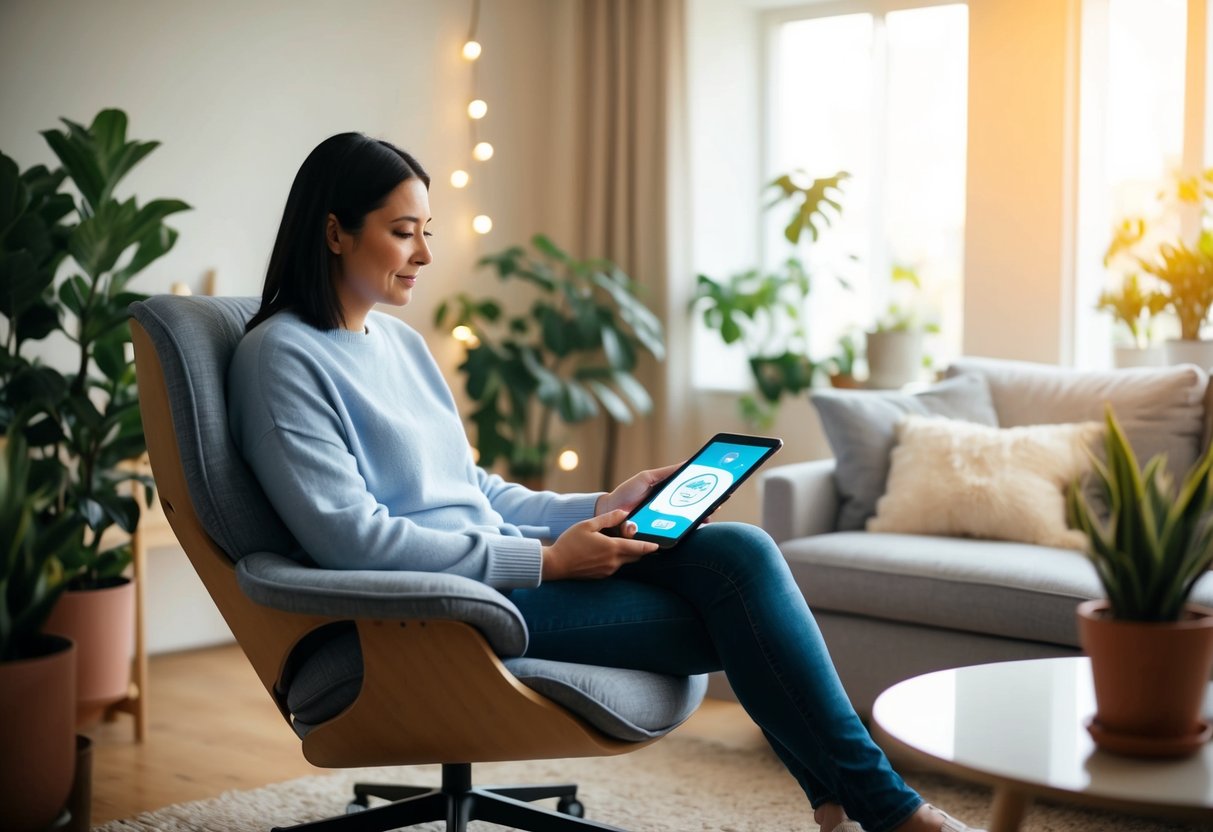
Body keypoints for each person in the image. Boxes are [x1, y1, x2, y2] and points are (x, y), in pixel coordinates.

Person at [227, 132, 985, 832]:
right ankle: (880, 809)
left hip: (500, 582)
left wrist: (601, 505)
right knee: (742, 613)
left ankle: (846, 803)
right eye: (402, 231)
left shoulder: (397, 343)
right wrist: (548, 562)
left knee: (738, 553)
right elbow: (347, 538)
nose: (425, 253)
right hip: (430, 614)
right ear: (333, 232)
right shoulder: (281, 358)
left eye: (428, 229)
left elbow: (475, 492)